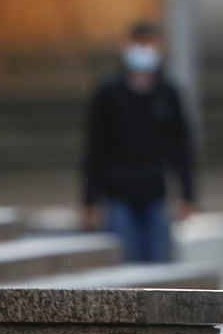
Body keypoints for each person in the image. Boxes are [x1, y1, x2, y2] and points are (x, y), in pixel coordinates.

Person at [82, 21, 196, 262]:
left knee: (158, 260)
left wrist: (187, 194)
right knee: (124, 260)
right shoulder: (109, 93)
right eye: (139, 44)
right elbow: (95, 147)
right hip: (117, 193)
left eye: (149, 44)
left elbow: (181, 146)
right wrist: (90, 200)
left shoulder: (168, 93)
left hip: (155, 191)